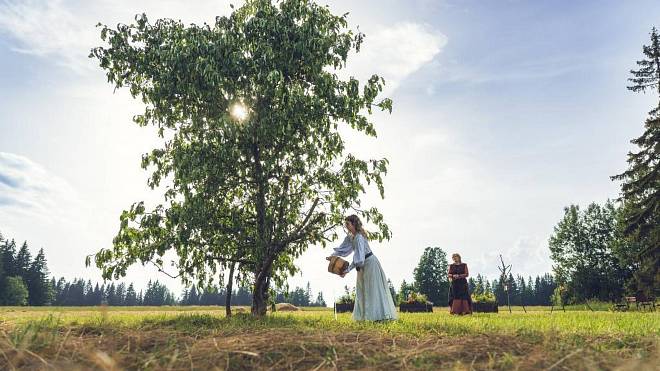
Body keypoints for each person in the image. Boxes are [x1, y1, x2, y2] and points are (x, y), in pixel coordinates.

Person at [328, 215, 398, 321]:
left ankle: (379, 316)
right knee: (362, 290)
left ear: (353, 224)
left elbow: (360, 259)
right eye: (345, 224)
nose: (346, 226)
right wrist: (332, 256)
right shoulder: (350, 237)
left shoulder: (359, 237)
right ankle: (364, 317)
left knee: (372, 290)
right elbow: (342, 249)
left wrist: (347, 270)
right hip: (362, 265)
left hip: (370, 263)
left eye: (348, 224)